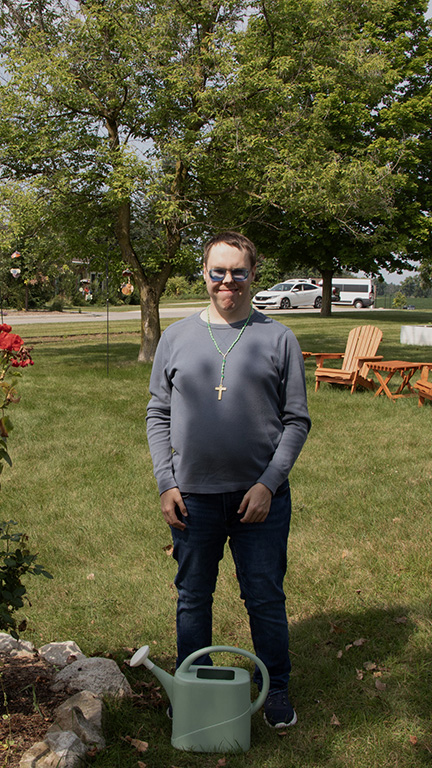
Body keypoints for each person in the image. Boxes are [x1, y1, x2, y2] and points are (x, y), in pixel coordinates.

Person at [145, 231, 311, 729]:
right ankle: (193, 683)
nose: (228, 282)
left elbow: (296, 420)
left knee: (263, 596)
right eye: (218, 272)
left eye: (238, 272)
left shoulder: (278, 338)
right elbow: (158, 412)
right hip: (192, 497)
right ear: (204, 273)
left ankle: (276, 688)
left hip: (260, 500)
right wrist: (165, 482)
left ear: (253, 274)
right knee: (193, 596)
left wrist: (268, 484)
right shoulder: (175, 337)